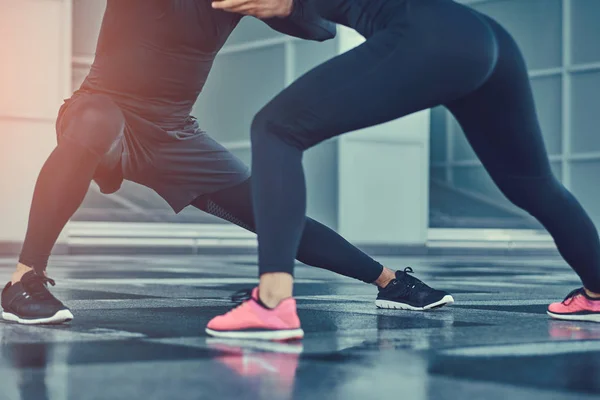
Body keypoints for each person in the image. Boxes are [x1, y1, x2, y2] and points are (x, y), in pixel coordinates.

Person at [1, 0, 453, 326]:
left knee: (270, 210)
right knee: (98, 122)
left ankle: (391, 283)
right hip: (103, 108)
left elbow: (322, 28)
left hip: (174, 135)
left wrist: (284, 7)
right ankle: (22, 281)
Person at [206, 0, 600, 340]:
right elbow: (322, 26)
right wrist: (293, 8)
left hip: (427, 35)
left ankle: (272, 304)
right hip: (483, 36)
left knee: (276, 128)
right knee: (534, 185)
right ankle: (597, 292)